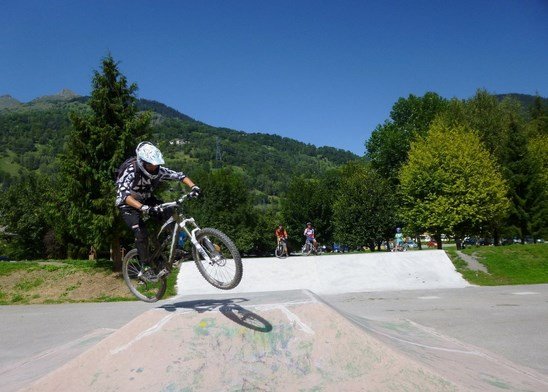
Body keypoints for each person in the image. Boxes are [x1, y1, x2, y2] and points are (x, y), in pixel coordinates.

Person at [115, 141, 200, 277]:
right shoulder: (131, 170)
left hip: (146, 200)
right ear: (142, 163)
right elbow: (124, 195)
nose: (154, 168)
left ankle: (176, 249)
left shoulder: (159, 170)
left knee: (169, 212)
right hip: (128, 204)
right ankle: (146, 265)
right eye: (150, 165)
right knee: (140, 232)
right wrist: (143, 208)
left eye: (156, 165)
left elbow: (180, 176)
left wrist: (194, 187)